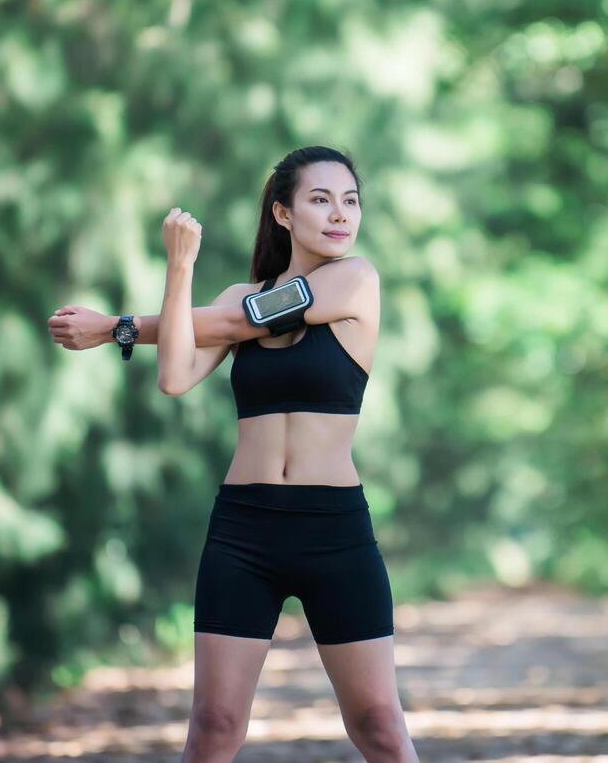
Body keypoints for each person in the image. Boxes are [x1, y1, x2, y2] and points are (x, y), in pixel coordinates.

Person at [47, 146, 417, 762]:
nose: (339, 215)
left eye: (350, 201)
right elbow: (174, 376)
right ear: (282, 213)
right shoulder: (232, 294)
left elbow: (245, 321)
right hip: (245, 530)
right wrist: (180, 265)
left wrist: (113, 325)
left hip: (334, 529)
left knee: (378, 722)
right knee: (214, 725)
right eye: (320, 200)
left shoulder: (357, 280)